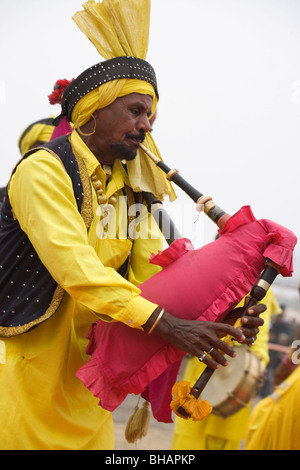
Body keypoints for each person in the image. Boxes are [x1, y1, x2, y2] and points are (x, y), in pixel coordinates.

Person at [0, 0, 264, 450]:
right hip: (31, 366)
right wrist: (169, 325)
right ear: (92, 111)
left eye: (150, 117)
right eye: (136, 111)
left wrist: (218, 314)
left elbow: (153, 279)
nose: (146, 126)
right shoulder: (43, 170)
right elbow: (76, 269)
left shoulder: (131, 189)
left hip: (93, 370)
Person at [171, 288, 281, 450]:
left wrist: (258, 368)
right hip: (197, 381)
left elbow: (259, 340)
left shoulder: (261, 287)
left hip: (235, 387)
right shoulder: (210, 276)